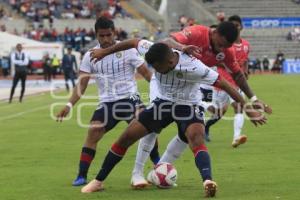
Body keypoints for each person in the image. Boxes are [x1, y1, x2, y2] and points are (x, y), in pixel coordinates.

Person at [84, 39, 266, 197]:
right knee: (127, 136)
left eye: (157, 67)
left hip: (188, 105)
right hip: (162, 103)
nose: (154, 71)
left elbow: (226, 85)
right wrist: (104, 52)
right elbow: (133, 42)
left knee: (196, 137)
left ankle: (208, 181)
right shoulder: (155, 50)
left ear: (171, 61)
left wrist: (248, 109)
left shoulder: (194, 67)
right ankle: (98, 181)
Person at [123, 21, 273, 186]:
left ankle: (159, 170)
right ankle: (136, 174)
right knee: (153, 126)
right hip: (162, 82)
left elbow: (238, 75)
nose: (222, 49)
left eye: (226, 47)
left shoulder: (226, 51)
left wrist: (253, 99)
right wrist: (181, 46)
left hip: (191, 87)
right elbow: (168, 40)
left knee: (189, 132)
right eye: (221, 44)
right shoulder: (197, 32)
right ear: (216, 33)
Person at [56, 17, 152, 187]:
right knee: (93, 132)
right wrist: (69, 105)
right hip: (107, 103)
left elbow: (146, 73)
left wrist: (160, 92)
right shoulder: (89, 55)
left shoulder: (129, 49)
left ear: (114, 32)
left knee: (146, 129)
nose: (106, 39)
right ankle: (82, 175)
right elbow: (82, 84)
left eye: (109, 35)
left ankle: (159, 165)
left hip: (130, 98)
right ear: (96, 35)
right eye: (102, 36)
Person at [204, 15, 252, 146]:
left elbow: (245, 59)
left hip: (236, 83)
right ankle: (203, 118)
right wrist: (230, 66)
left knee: (238, 106)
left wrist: (245, 70)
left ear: (241, 27)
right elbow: (217, 61)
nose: (236, 27)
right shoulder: (223, 45)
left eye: (237, 25)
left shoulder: (246, 45)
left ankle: (236, 137)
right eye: (233, 25)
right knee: (218, 112)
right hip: (223, 82)